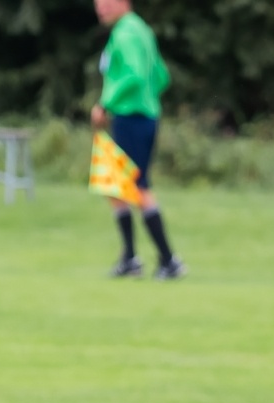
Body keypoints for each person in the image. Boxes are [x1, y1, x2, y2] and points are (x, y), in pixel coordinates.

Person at [91, 0, 185, 280]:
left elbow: (133, 74)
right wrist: (148, 98)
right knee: (113, 185)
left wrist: (107, 103)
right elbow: (161, 76)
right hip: (134, 115)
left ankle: (169, 260)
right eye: (98, 4)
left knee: (136, 185)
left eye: (107, 3)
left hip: (132, 116)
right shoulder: (140, 30)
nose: (101, 8)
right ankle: (129, 258)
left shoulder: (127, 33)